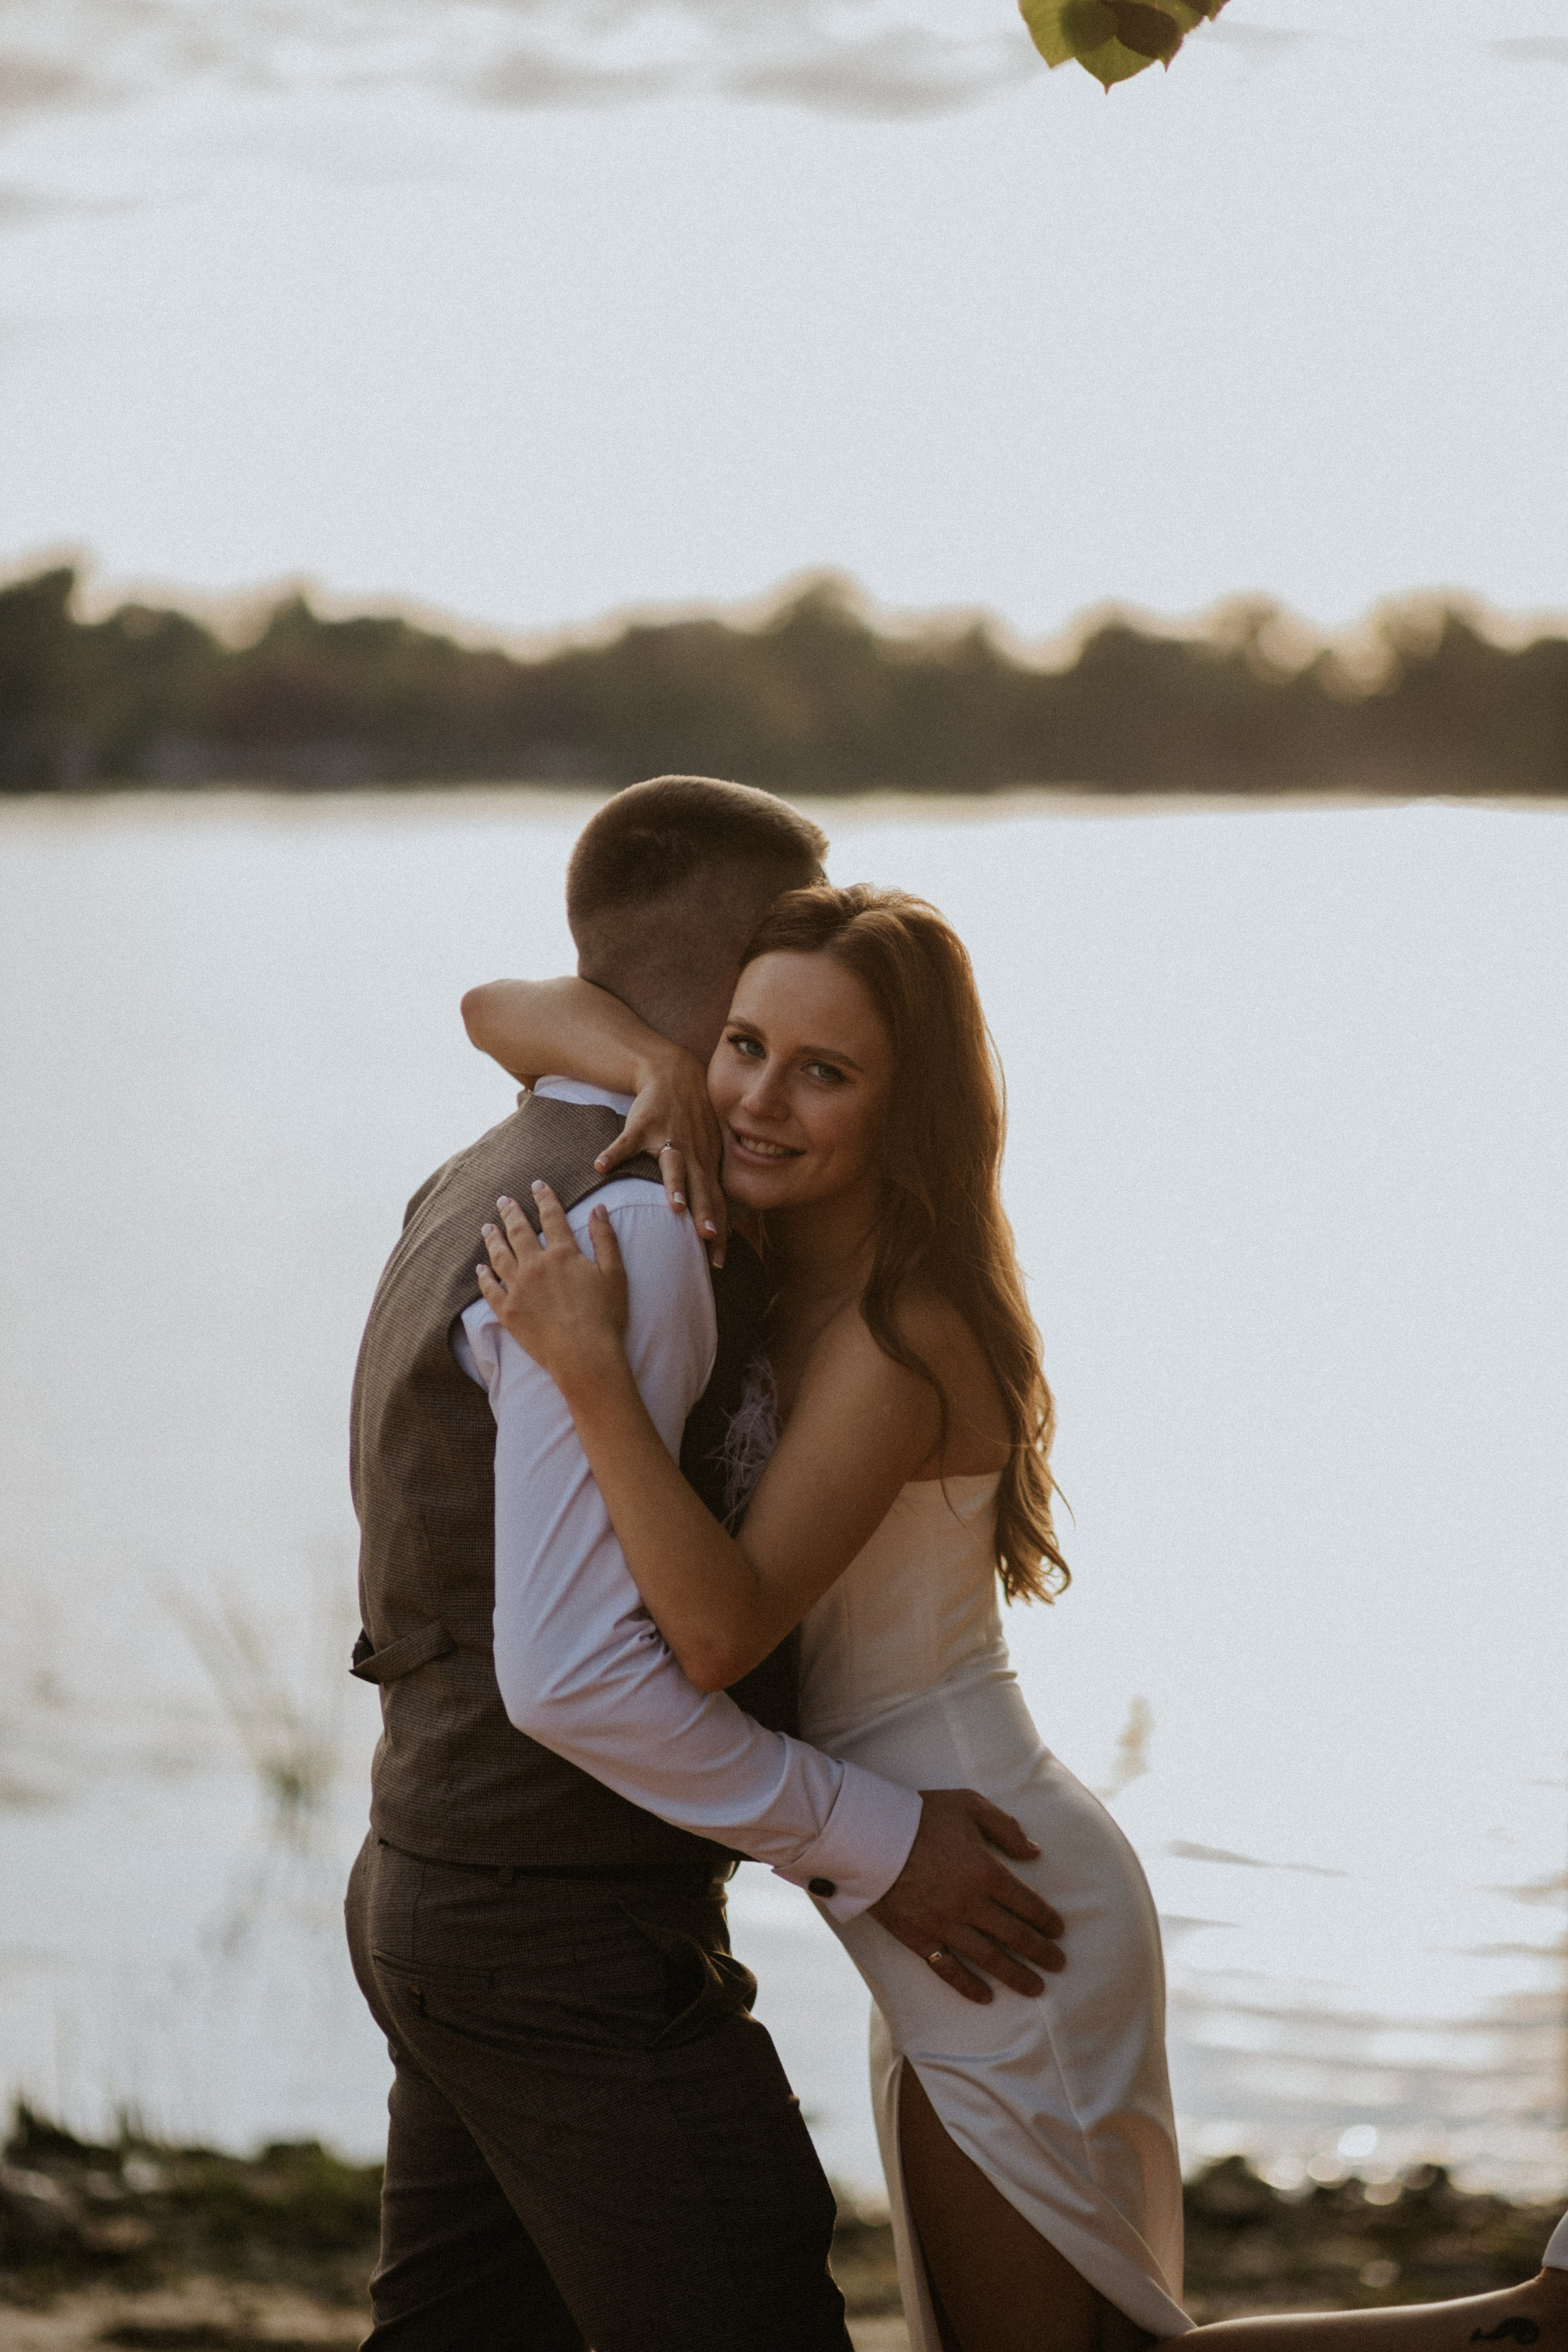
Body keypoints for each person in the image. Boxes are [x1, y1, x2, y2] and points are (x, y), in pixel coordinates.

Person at [467, 881, 1568, 2352]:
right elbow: (492, 1010)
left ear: (905, 1110)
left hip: (994, 1899)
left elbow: (718, 1636)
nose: (760, 1100)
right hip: (929, 1889)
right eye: (742, 1045)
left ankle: (1536, 2321)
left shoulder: (897, 1335)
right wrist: (657, 1070)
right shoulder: (783, 1250)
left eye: (824, 1072)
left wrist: (591, 1377)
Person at [344, 778, 1069, 2352]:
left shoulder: (497, 1155)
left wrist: (654, 1057)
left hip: (428, 1883)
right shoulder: (633, 1232)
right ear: (740, 969)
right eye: (774, 991)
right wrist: (876, 1840)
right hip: (556, 1930)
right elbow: (579, 1680)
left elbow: (501, 1005)